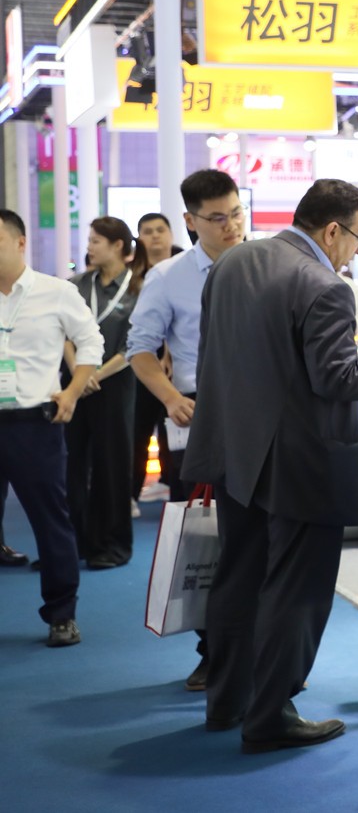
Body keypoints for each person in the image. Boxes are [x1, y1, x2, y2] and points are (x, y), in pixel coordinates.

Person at [186, 179, 358, 752]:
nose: (357, 251)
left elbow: (219, 354)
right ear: (332, 230)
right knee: (297, 590)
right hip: (302, 460)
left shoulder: (232, 263)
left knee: (239, 578)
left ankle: (226, 702)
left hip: (235, 451)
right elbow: (338, 378)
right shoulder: (325, 286)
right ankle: (270, 714)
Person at [127, 169, 245, 691]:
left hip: (263, 413)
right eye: (217, 218)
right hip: (198, 415)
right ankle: (212, 651)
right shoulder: (168, 277)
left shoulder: (265, 262)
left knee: (264, 534)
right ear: (190, 221)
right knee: (205, 538)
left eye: (236, 213)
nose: (231, 225)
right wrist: (171, 398)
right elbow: (140, 349)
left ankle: (267, 653)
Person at [0, 208, 103, 647]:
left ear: (20, 242)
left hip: (34, 424)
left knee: (50, 521)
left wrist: (73, 391)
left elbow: (91, 341)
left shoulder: (56, 291)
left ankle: (62, 614)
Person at [65, 216, 147, 569]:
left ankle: (112, 545)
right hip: (74, 384)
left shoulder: (139, 288)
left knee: (112, 464)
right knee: (71, 464)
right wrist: (78, 371)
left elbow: (136, 342)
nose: (89, 247)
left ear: (118, 246)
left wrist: (95, 373)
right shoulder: (76, 285)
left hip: (116, 383)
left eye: (96, 240)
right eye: (89, 240)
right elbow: (63, 332)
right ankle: (73, 544)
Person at [131, 212, 179, 508]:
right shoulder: (131, 274)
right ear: (139, 238)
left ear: (171, 234)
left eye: (160, 229)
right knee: (137, 431)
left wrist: (170, 354)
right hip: (141, 364)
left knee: (174, 432)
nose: (155, 236)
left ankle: (175, 488)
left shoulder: (185, 266)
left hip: (179, 365)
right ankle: (130, 493)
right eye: (148, 231)